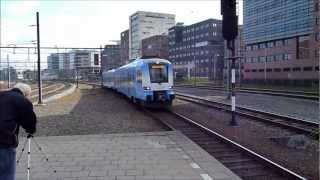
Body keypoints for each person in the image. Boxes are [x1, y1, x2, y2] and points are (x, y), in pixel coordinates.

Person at [0, 83, 37, 180]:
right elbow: (29, 120)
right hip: (4, 140)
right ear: (26, 94)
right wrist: (31, 131)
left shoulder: (1, 95)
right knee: (6, 173)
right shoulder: (22, 100)